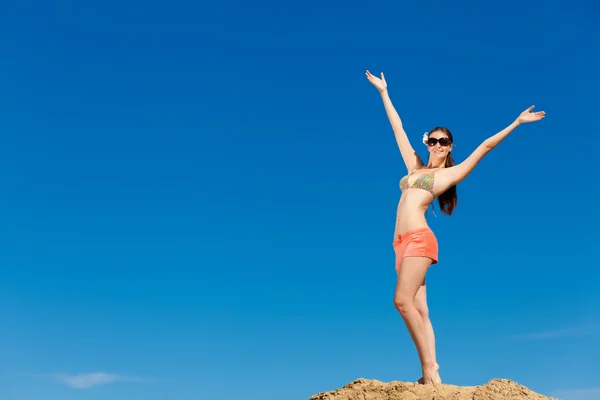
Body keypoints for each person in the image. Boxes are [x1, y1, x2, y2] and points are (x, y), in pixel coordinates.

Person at [365, 70, 545, 385]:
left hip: (420, 240)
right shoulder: (414, 167)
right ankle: (432, 370)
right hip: (400, 244)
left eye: (443, 141)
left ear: (450, 147)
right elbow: (398, 128)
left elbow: (486, 147)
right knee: (420, 309)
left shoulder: (449, 175)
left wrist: (516, 123)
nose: (436, 144)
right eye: (432, 140)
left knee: (402, 302)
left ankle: (429, 371)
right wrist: (384, 92)